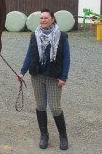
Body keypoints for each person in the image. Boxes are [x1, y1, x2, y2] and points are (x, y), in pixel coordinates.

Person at [18, 8, 70, 150]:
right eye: (41, 18)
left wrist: (64, 77)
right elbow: (29, 55)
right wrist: (22, 72)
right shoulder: (35, 35)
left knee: (55, 108)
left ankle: (63, 137)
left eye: (46, 18)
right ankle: (44, 135)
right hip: (37, 75)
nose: (43, 20)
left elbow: (67, 58)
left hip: (54, 77)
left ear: (53, 19)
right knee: (40, 106)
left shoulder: (62, 36)